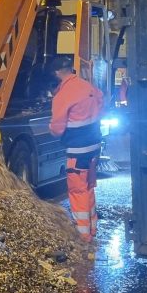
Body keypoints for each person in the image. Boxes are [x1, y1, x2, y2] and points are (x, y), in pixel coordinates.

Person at [48, 55, 104, 242]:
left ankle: (83, 236)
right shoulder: (87, 86)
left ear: (56, 73)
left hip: (77, 151)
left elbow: (57, 129)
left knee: (78, 191)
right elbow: (102, 102)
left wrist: (52, 129)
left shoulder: (63, 94)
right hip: (94, 148)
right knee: (88, 188)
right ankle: (92, 229)